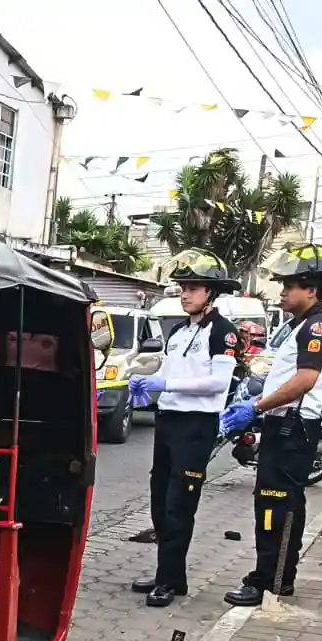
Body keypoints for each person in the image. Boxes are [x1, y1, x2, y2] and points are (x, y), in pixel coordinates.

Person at [219, 243, 322, 607]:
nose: (282, 293)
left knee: (279, 507)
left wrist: (256, 406)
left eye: (289, 286)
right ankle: (274, 577)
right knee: (271, 504)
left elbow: (305, 380)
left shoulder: (318, 327)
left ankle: (272, 581)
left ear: (311, 289)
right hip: (285, 426)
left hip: (295, 428)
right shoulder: (305, 325)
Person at [127, 251, 242, 607]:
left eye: (193, 288)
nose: (185, 294)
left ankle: (168, 581)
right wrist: (145, 383)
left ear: (211, 292)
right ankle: (170, 576)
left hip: (196, 425)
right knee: (160, 500)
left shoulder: (223, 332)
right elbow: (168, 374)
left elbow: (217, 383)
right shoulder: (178, 331)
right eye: (183, 288)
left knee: (180, 504)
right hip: (169, 421)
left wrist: (167, 385)